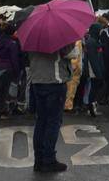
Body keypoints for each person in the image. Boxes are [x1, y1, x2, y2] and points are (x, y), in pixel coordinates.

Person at [29, 42, 76, 173]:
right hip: (54, 81)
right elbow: (71, 53)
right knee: (53, 122)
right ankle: (49, 160)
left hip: (37, 81)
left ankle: (38, 160)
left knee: (41, 121)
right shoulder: (57, 37)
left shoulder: (33, 37)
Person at [0, 24, 22, 119]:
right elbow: (14, 59)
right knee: (9, 91)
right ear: (11, 32)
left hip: (0, 68)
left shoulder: (0, 41)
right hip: (9, 68)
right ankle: (7, 109)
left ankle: (0, 109)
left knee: (1, 90)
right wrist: (17, 71)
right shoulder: (12, 44)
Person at [81, 23, 105, 117]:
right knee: (94, 89)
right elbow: (93, 59)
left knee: (95, 88)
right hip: (94, 70)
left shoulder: (94, 41)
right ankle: (91, 107)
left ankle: (92, 107)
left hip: (95, 70)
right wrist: (98, 73)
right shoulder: (91, 42)